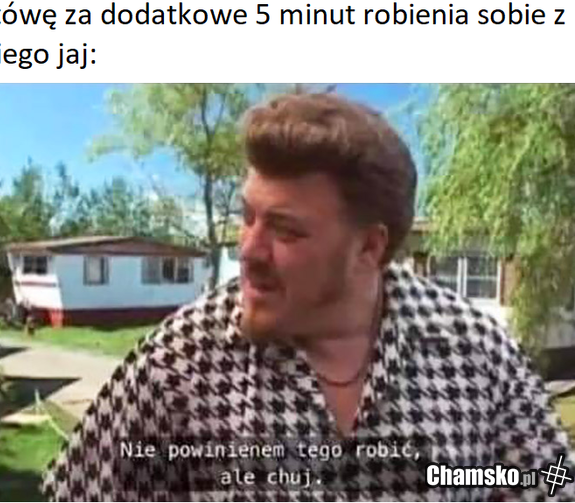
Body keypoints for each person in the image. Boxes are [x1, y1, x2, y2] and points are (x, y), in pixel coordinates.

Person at [43, 94, 574, 501]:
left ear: (369, 247)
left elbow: (554, 480)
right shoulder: (180, 360)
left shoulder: (475, 350)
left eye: (286, 231)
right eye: (248, 216)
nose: (248, 250)